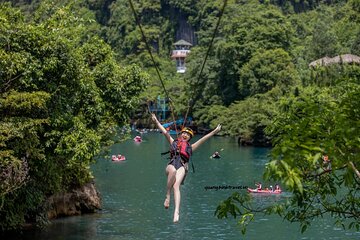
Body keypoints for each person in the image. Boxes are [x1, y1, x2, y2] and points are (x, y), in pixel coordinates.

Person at [151, 113, 221, 223]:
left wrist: (214, 131)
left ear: (189, 138)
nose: (185, 135)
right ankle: (168, 196)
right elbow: (164, 131)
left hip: (182, 166)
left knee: (176, 186)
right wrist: (155, 121)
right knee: (173, 171)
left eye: (187, 135)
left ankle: (176, 212)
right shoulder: (173, 141)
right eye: (184, 133)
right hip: (172, 164)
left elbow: (204, 138)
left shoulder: (191, 147)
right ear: (180, 134)